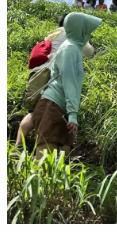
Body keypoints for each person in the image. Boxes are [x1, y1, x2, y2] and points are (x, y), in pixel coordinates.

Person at [18, 12, 102, 158]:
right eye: (87, 30)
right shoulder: (70, 48)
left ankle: (18, 147)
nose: (90, 34)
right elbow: (69, 82)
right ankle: (20, 153)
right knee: (45, 161)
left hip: (56, 101)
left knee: (58, 157)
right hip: (53, 103)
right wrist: (73, 114)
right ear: (79, 29)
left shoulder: (66, 42)